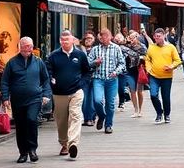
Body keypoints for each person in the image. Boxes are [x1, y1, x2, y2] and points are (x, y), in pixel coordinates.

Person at [0, 37, 52, 163]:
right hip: (18, 100)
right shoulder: (12, 63)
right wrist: (5, 97)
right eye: (25, 46)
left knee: (31, 120)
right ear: (20, 47)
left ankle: (32, 149)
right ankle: (23, 152)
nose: (28, 49)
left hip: (34, 98)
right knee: (21, 125)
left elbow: (45, 79)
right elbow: (5, 81)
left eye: (30, 46)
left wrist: (46, 94)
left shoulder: (38, 62)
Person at [46, 30, 89, 159]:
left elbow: (87, 72)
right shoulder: (53, 56)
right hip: (59, 93)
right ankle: (64, 143)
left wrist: (82, 84)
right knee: (62, 120)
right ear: (60, 41)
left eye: (67, 39)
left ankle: (73, 144)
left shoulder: (80, 55)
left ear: (72, 40)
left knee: (75, 116)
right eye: (63, 40)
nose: (65, 42)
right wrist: (52, 81)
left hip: (76, 91)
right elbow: (47, 72)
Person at [87, 28, 125, 134]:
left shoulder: (116, 48)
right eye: (101, 36)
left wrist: (116, 72)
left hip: (112, 79)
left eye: (104, 36)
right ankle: (102, 116)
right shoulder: (95, 49)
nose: (102, 38)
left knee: (110, 103)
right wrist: (95, 62)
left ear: (110, 37)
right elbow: (87, 63)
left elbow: (122, 64)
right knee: (97, 100)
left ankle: (108, 125)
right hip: (98, 79)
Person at [145, 28, 182, 124]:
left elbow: (178, 60)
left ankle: (167, 115)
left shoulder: (170, 47)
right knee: (153, 95)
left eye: (158, 36)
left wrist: (171, 66)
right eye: (155, 37)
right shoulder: (151, 47)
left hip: (167, 76)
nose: (156, 38)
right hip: (154, 75)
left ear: (163, 36)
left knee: (165, 97)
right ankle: (159, 112)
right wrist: (148, 68)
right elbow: (147, 59)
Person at [122, 31, 148, 118]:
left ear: (137, 38)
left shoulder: (142, 46)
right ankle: (135, 110)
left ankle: (140, 110)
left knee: (140, 91)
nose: (131, 40)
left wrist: (139, 57)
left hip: (139, 70)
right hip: (129, 70)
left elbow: (146, 56)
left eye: (133, 38)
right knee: (132, 90)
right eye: (130, 38)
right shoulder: (126, 46)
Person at [80, 32, 97, 127]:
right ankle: (86, 118)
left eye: (90, 38)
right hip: (83, 77)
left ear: (94, 39)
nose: (88, 40)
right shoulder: (79, 50)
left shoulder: (97, 50)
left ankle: (91, 118)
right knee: (84, 98)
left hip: (95, 76)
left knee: (93, 98)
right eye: (86, 38)